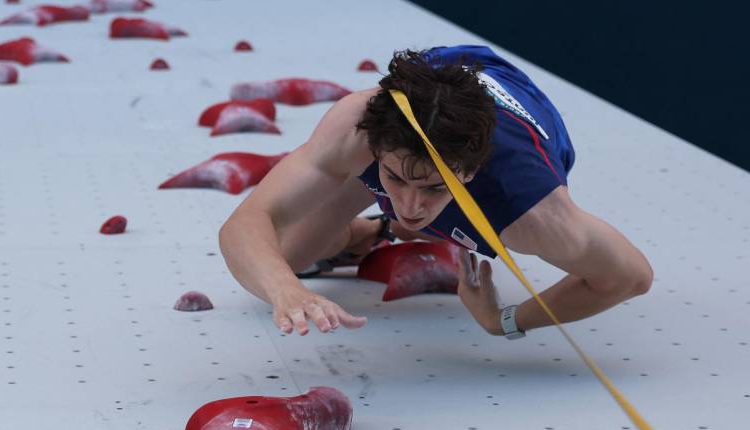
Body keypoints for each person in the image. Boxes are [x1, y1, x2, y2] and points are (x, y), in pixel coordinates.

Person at [219, 45, 653, 338]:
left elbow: (631, 277)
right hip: (440, 79)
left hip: (514, 120)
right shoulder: (356, 126)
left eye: (432, 188)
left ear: (472, 169)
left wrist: (504, 320)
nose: (409, 206)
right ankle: (364, 233)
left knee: (285, 259)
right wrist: (285, 288)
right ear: (374, 148)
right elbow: (244, 224)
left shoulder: (528, 211)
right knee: (286, 258)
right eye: (394, 179)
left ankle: (396, 211)